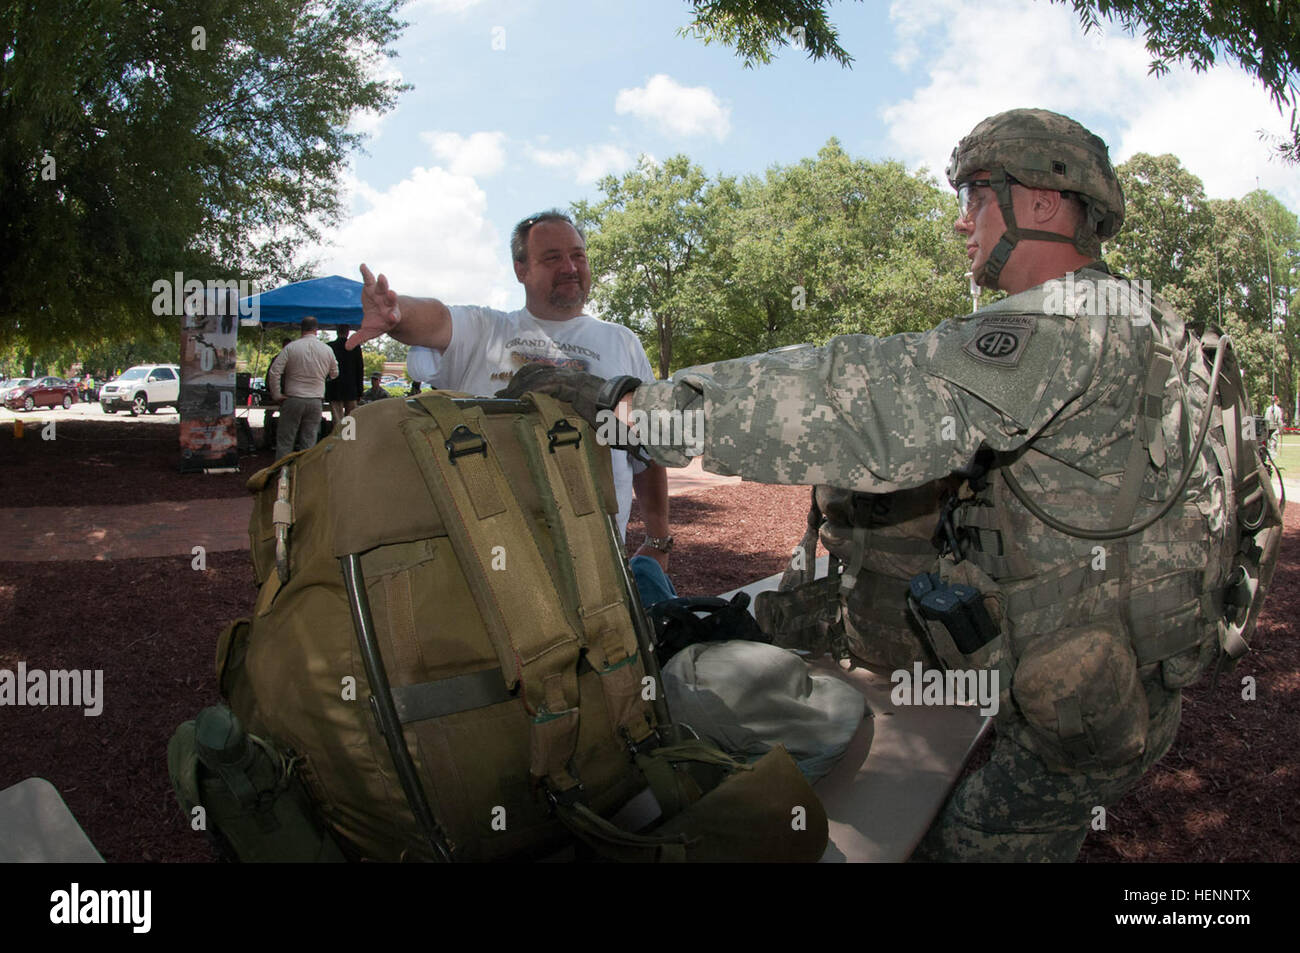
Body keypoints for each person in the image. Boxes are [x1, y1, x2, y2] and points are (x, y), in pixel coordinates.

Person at [501, 109, 1279, 862]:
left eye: (976, 196)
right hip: (1138, 679)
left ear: (1040, 200)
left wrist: (626, 407)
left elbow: (864, 403)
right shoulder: (1164, 325)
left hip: (1077, 710)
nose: (961, 221)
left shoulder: (1066, 323)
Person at [350, 210, 673, 569]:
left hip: (596, 560)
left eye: (577, 255)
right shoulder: (487, 330)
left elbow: (647, 449)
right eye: (552, 257)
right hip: (487, 559)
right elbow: (439, 319)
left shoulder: (622, 341)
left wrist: (658, 537)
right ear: (521, 270)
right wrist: (398, 313)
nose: (569, 266)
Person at [267, 316, 338, 461]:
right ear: (316, 330)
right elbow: (335, 373)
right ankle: (304, 476)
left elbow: (274, 372)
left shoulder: (291, 347)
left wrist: (277, 394)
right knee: (309, 441)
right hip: (315, 400)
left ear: (301, 329)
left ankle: (282, 474)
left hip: (293, 397)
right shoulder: (327, 349)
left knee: (286, 441)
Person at [327, 328, 364, 428]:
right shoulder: (355, 347)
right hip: (351, 389)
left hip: (334, 388)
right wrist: (360, 391)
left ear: (337, 332)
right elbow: (359, 369)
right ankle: (349, 440)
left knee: (337, 419)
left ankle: (338, 439)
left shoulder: (330, 346)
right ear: (348, 332)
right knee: (351, 419)